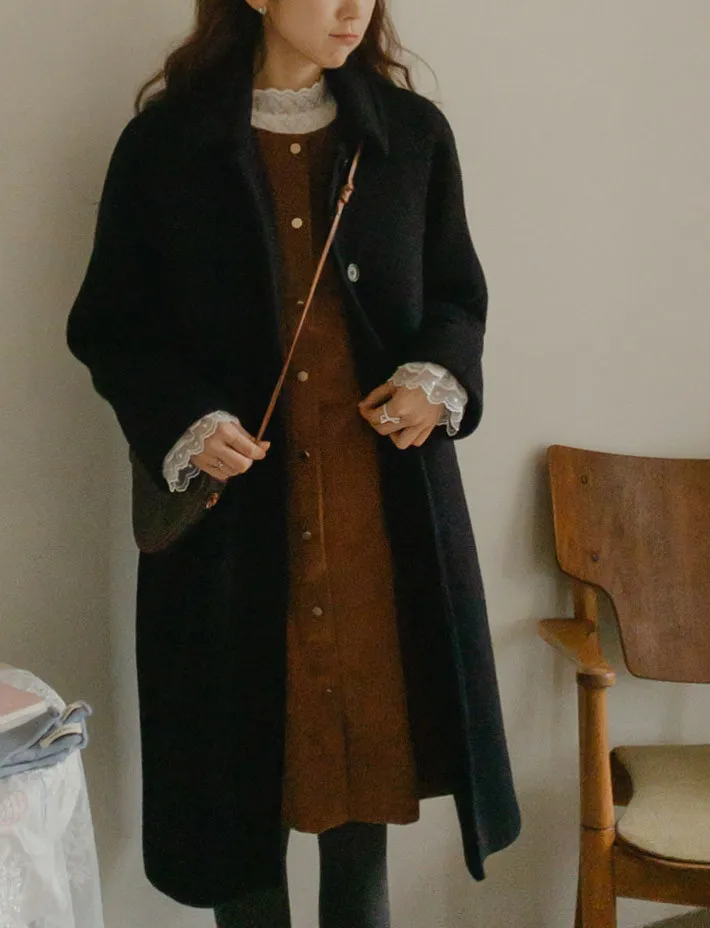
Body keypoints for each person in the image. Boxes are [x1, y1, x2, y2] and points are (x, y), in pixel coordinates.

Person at [66, 1, 521, 925]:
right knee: (238, 801)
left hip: (375, 520)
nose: (355, 8)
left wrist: (434, 381)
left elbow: (457, 298)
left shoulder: (410, 136)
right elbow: (112, 327)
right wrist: (184, 419)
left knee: (364, 803)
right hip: (233, 531)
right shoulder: (165, 146)